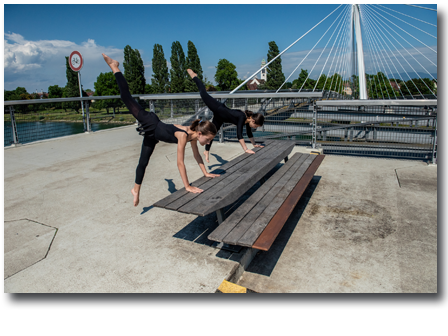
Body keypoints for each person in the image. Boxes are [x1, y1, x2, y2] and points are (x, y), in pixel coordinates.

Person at [102, 54, 220, 206]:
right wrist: (187, 186)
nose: (209, 142)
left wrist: (206, 173)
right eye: (209, 139)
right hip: (150, 122)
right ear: (200, 133)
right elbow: (180, 163)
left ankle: (136, 190)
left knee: (143, 162)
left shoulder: (193, 137)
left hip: (153, 135)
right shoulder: (184, 136)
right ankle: (114, 66)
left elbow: (197, 156)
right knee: (126, 97)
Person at [187, 69, 265, 163]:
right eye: (256, 126)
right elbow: (239, 135)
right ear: (253, 120)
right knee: (203, 93)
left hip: (220, 118)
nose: (255, 128)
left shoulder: (248, 122)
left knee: (211, 133)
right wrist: (246, 149)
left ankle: (206, 151)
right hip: (218, 108)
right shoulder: (242, 117)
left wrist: (254, 144)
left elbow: (249, 134)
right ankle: (194, 76)